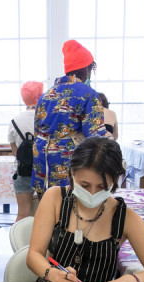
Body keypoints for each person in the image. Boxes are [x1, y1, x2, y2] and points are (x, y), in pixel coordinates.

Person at [26, 137, 144, 282]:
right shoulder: (55, 198)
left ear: (115, 180)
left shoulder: (125, 218)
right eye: (85, 185)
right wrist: (52, 273)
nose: (93, 194)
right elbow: (33, 255)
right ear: (72, 173)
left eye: (102, 187)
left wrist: (129, 280)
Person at [33, 40, 107, 196]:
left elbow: (37, 130)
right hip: (68, 161)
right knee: (70, 211)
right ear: (86, 69)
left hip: (42, 161)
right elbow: (95, 138)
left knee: (48, 207)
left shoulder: (46, 95)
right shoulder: (88, 94)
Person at [8, 81, 44, 222]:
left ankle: (19, 242)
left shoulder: (15, 121)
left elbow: (15, 152)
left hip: (23, 171)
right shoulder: (45, 118)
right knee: (45, 212)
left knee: (22, 213)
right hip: (43, 172)